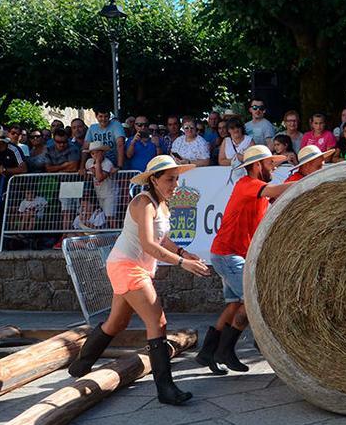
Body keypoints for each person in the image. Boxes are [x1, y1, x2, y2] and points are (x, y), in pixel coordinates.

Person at [67, 155, 210, 406]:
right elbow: (148, 244)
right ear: (153, 180)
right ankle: (165, 389)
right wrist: (182, 263)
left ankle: (80, 366)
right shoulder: (143, 202)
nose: (174, 184)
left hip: (130, 266)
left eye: (176, 179)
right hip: (126, 266)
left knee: (116, 323)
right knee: (158, 320)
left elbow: (163, 240)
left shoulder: (162, 204)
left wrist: (183, 253)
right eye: (169, 179)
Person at [196, 145, 293, 374]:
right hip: (229, 254)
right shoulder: (248, 185)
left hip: (229, 253)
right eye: (270, 164)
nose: (274, 168)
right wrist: (310, 182)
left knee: (234, 305)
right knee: (252, 301)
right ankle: (225, 350)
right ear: (257, 165)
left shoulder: (257, 188)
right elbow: (276, 190)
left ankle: (207, 353)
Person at [85, 141, 120, 226]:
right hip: (99, 193)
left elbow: (99, 178)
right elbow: (95, 172)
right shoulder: (89, 161)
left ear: (103, 152)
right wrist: (97, 169)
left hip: (110, 193)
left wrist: (97, 163)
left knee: (110, 217)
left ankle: (115, 236)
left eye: (97, 152)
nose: (95, 155)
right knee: (103, 216)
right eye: (93, 153)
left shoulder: (108, 163)